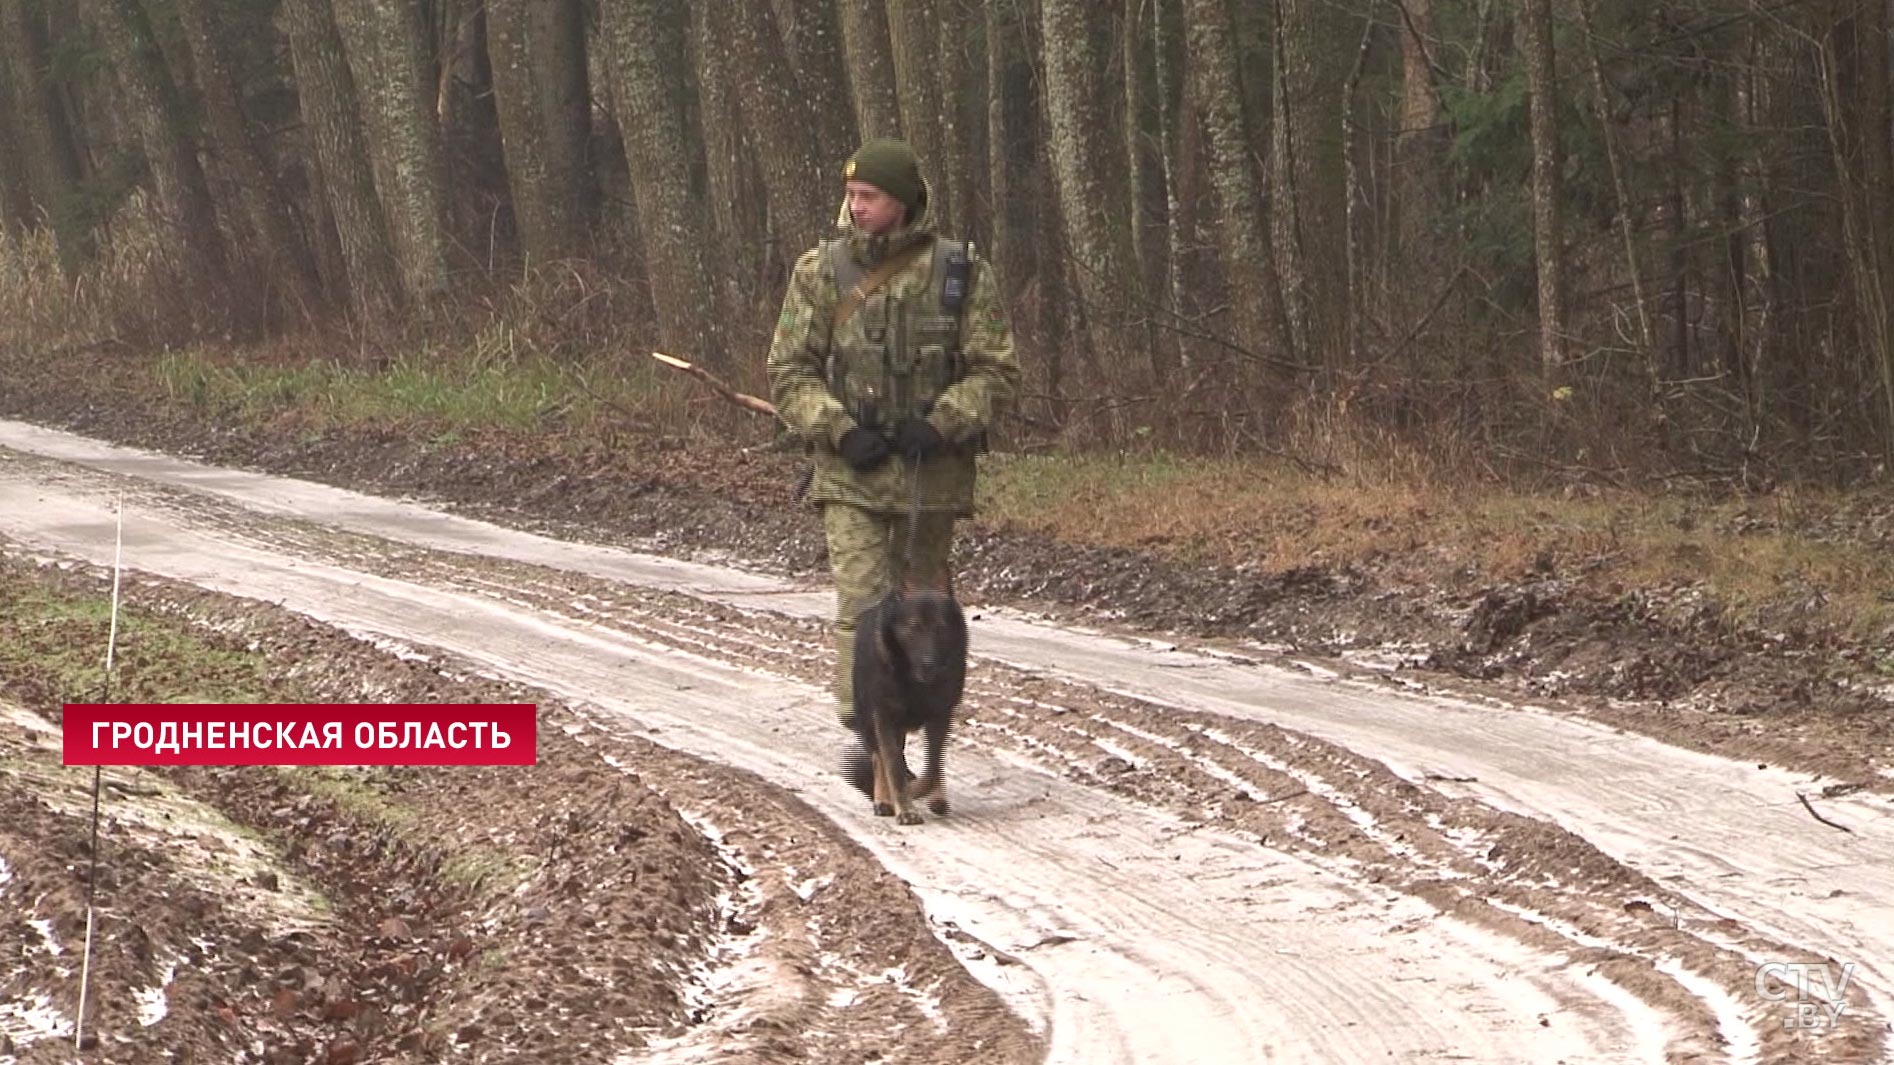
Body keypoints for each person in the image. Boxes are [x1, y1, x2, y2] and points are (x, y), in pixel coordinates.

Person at [766, 136, 1020, 729]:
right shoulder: (821, 272)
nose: (856, 206)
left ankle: (923, 720)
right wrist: (838, 428)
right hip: (851, 471)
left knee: (926, 612)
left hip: (930, 478)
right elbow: (788, 370)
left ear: (903, 201)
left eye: (869, 195)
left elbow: (997, 370)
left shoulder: (960, 271)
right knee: (862, 604)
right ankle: (869, 726)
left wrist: (941, 423)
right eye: (851, 194)